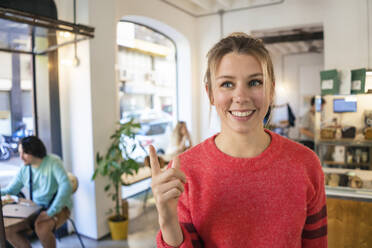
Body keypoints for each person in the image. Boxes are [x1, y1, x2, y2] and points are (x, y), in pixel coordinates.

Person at [150, 33, 327, 247]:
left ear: (271, 90)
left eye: (255, 82)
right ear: (211, 94)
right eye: (227, 84)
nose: (241, 97)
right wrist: (168, 222)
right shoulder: (184, 171)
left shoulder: (306, 163)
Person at [1, 136, 72, 248]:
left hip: (59, 207)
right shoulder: (24, 169)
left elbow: (66, 186)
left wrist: (51, 212)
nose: (20, 157)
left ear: (34, 151)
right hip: (36, 208)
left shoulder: (53, 162)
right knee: (7, 230)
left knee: (41, 228)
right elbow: (10, 190)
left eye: (24, 153)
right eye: (19, 153)